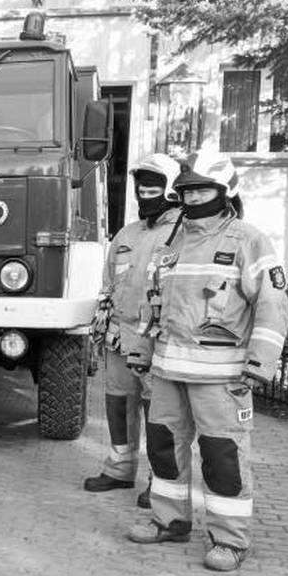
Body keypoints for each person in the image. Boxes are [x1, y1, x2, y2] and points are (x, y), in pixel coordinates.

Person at [125, 151, 288, 572]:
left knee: (222, 458)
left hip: (221, 379)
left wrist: (260, 363)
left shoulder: (248, 240)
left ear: (226, 191)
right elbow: (153, 304)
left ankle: (230, 541)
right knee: (164, 450)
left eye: (204, 190)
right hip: (166, 371)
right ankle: (169, 520)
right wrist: (142, 352)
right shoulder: (171, 243)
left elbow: (272, 305)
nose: (195, 197)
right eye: (188, 191)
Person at [84, 154, 181, 508]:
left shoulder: (181, 234)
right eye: (141, 189)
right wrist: (102, 328)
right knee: (118, 406)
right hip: (119, 341)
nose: (145, 195)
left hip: (157, 343)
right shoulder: (126, 235)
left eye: (153, 188)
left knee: (159, 415)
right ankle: (120, 468)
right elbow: (109, 286)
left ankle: (161, 481)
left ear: (171, 190)